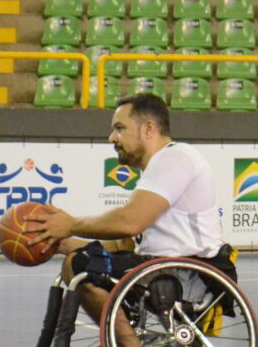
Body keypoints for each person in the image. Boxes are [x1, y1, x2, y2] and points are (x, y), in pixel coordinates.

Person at [28, 93, 234, 347]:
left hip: (189, 275)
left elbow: (129, 222)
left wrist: (70, 224)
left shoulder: (175, 158)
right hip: (163, 269)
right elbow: (123, 243)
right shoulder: (158, 169)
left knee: (80, 267)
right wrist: (61, 240)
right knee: (79, 261)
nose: (112, 138)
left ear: (148, 128)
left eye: (119, 128)